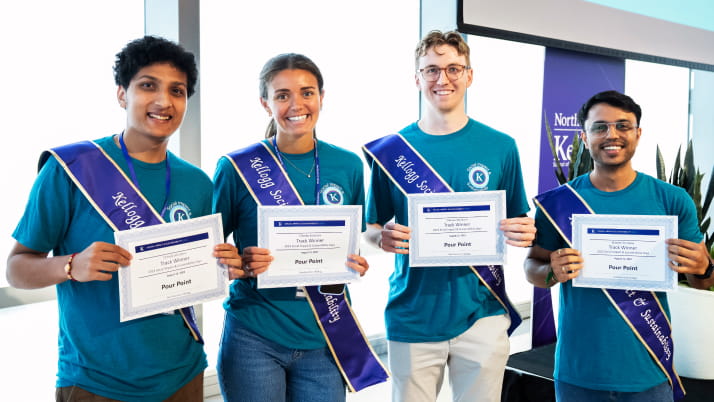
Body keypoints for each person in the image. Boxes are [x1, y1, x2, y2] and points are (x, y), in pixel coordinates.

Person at [6, 36, 242, 401]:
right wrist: (72, 265)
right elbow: (17, 269)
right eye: (148, 86)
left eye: (177, 91)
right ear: (122, 94)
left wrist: (223, 265)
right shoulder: (70, 169)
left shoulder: (198, 183)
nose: (164, 101)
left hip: (182, 374)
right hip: (95, 382)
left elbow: (196, 269)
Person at [362, 30, 537, 402]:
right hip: (413, 313)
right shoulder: (393, 151)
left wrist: (524, 231)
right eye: (431, 70)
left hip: (483, 313)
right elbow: (371, 229)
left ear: (470, 75)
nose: (443, 79)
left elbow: (520, 221)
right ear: (417, 79)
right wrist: (382, 238)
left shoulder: (501, 146)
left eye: (454, 69)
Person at [212, 53, 387, 402]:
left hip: (324, 333)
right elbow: (212, 254)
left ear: (322, 97)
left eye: (307, 92)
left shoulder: (349, 165)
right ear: (265, 103)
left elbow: (351, 243)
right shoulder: (236, 168)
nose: (297, 104)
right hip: (254, 334)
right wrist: (239, 264)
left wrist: (355, 262)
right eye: (282, 95)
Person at [525, 90, 714, 401]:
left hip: (649, 372)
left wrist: (704, 266)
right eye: (599, 127)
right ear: (584, 137)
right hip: (578, 373)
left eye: (623, 126)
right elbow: (532, 267)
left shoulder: (672, 199)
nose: (611, 134)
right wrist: (551, 271)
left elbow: (702, 281)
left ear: (637, 134)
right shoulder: (558, 203)